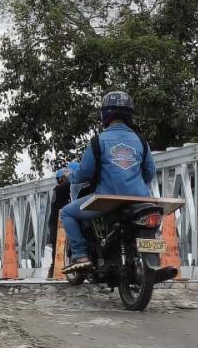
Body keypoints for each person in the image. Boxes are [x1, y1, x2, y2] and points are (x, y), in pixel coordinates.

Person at [59, 90, 156, 271]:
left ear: (105, 114)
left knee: (66, 213)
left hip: (106, 200)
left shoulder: (98, 141)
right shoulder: (141, 141)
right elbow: (150, 172)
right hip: (139, 200)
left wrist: (70, 177)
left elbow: (84, 173)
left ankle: (80, 256)